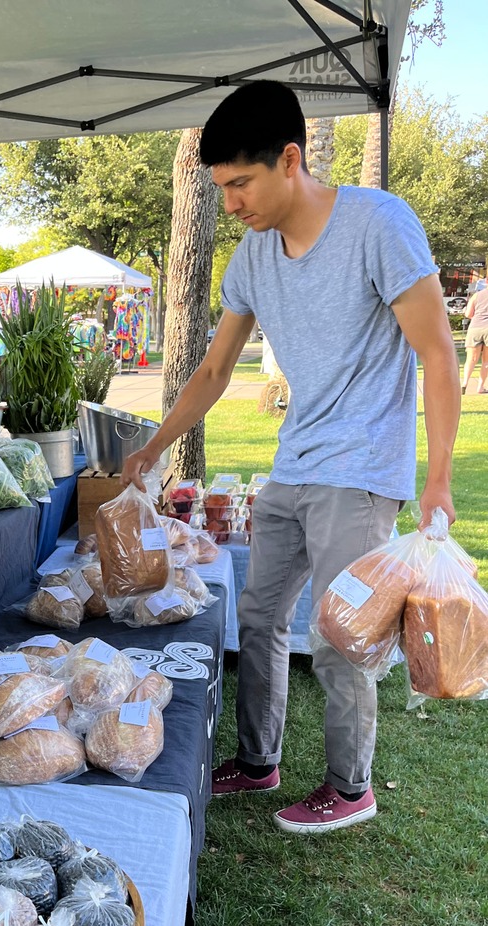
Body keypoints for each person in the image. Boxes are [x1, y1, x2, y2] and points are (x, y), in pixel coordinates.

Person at [121, 80, 460, 835]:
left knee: (342, 633)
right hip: (294, 463)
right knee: (261, 615)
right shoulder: (252, 258)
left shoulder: (379, 224)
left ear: (291, 159)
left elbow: (437, 352)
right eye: (220, 188)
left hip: (361, 470)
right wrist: (154, 443)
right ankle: (259, 759)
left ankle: (350, 787)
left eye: (240, 183)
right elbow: (212, 371)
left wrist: (437, 478)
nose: (231, 202)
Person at [462, 286, 488, 394]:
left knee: (471, 359)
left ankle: (464, 384)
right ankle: (480, 387)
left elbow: (468, 314)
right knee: (486, 361)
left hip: (475, 328)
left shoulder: (476, 295)